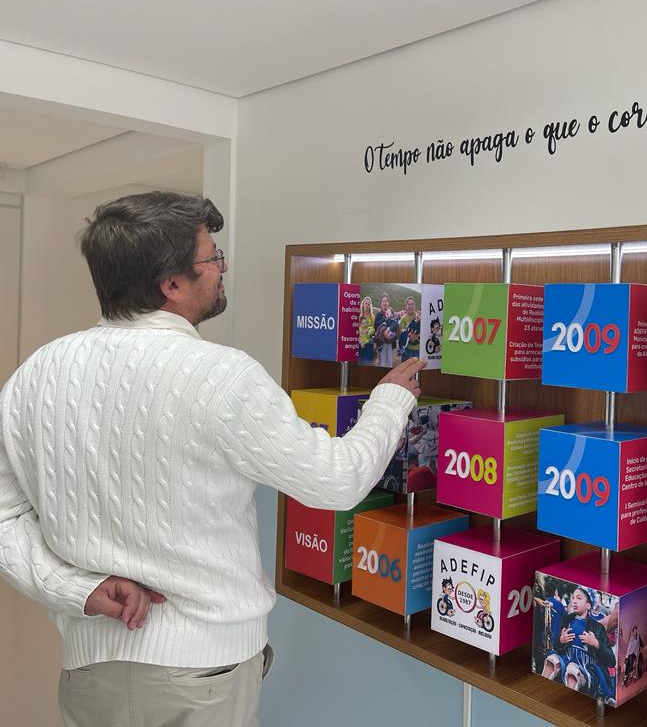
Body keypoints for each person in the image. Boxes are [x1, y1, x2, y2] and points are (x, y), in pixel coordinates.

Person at [0, 192, 424, 727]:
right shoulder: (222, 377)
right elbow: (337, 481)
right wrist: (390, 402)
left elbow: (4, 519)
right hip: (200, 681)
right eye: (212, 258)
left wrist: (76, 590)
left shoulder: (35, 375)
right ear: (171, 284)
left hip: (89, 678)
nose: (223, 268)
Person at [541, 587, 616, 701]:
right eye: (573, 598)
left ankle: (570, 702)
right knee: (552, 660)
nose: (574, 601)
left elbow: (611, 660)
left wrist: (597, 644)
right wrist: (560, 641)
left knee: (573, 669)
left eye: (579, 598)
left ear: (588, 605)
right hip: (566, 658)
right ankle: (542, 690)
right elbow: (555, 646)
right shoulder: (567, 620)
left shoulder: (597, 627)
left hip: (585, 665)